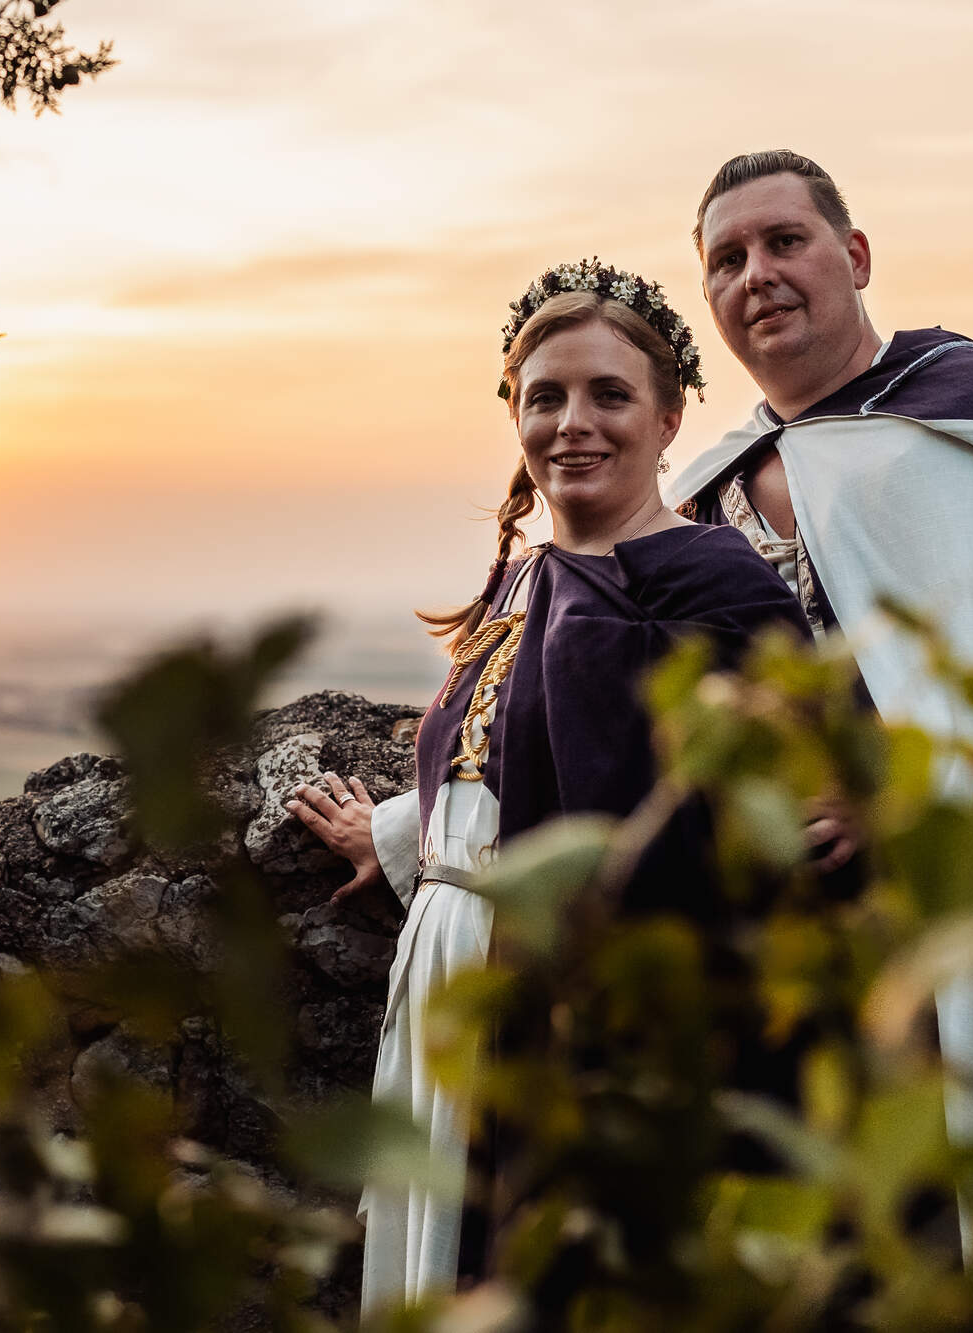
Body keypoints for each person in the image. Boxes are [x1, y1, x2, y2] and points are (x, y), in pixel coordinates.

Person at [287, 260, 808, 1316]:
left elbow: (747, 809)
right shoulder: (522, 578)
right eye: (545, 397)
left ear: (668, 418)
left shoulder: (715, 584)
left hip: (586, 999)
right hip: (451, 979)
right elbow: (505, 764)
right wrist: (398, 836)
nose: (574, 423)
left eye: (609, 394)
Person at [668, 150, 973, 1248]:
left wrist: (895, 791)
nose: (756, 274)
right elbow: (612, 700)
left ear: (854, 255)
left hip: (967, 911)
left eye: (783, 241)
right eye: (726, 260)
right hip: (794, 967)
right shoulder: (705, 492)